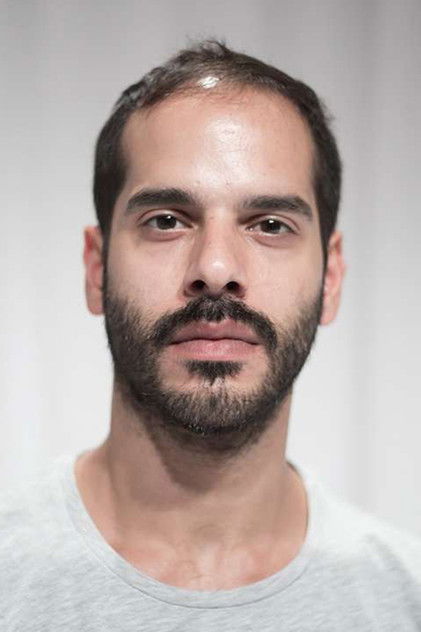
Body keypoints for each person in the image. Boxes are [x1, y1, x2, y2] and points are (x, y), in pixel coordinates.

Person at [2, 40, 421, 630]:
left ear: (331, 278)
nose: (217, 267)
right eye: (166, 221)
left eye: (270, 224)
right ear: (96, 269)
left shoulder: (404, 599)